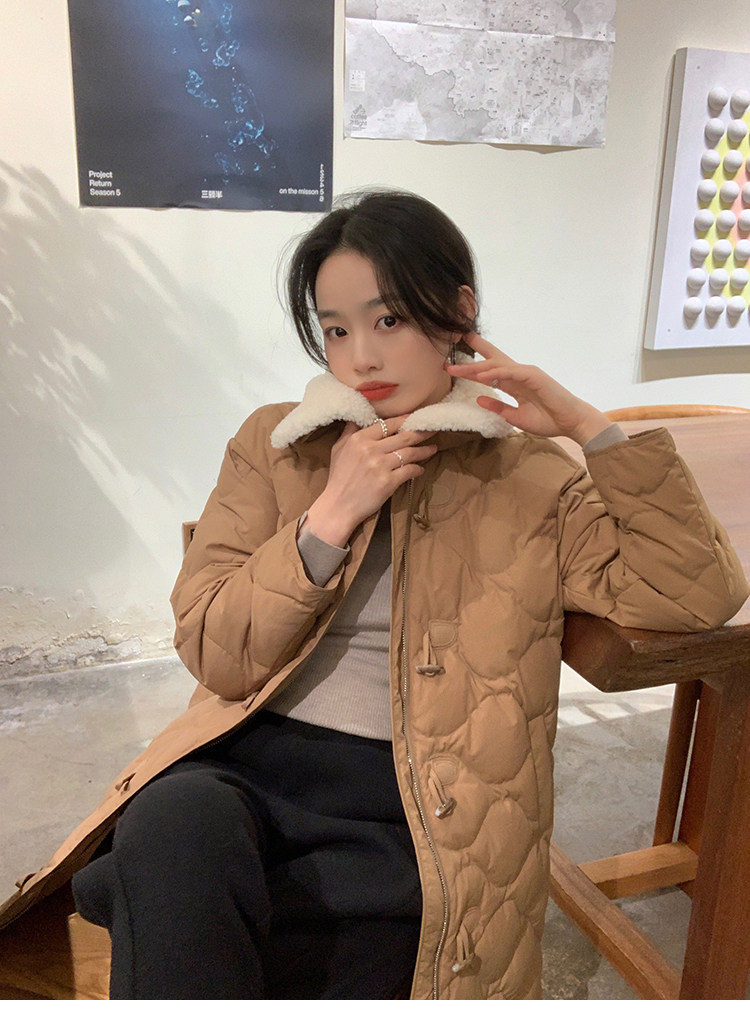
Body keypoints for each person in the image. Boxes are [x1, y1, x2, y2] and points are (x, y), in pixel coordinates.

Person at [0, 190, 747, 1002]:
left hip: (421, 800)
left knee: (373, 951)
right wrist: (328, 516)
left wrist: (588, 429)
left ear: (458, 312)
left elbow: (694, 595)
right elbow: (214, 651)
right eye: (336, 330)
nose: (360, 357)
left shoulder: (530, 478)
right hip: (248, 765)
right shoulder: (277, 447)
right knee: (173, 831)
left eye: (388, 320)